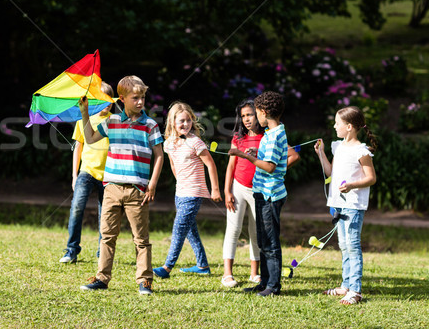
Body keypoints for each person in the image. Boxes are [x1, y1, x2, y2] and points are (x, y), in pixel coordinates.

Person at [78, 75, 164, 296]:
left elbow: (159, 155)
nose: (140, 102)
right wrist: (85, 112)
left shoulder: (150, 125)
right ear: (122, 99)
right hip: (112, 188)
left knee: (141, 239)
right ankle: (102, 278)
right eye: (135, 98)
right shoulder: (111, 121)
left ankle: (145, 281)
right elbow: (89, 138)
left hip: (138, 190)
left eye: (143, 97)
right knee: (107, 235)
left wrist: (152, 184)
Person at [223, 99, 300, 288]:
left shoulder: (271, 135)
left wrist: (247, 156)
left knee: (265, 239)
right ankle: (261, 281)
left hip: (268, 193)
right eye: (244, 116)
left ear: (262, 113)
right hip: (254, 190)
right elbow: (235, 165)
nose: (249, 118)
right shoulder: (267, 135)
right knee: (254, 235)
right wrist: (227, 190)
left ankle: (268, 282)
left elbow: (274, 165)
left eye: (252, 113)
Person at [314, 106, 377, 305]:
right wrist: (321, 153)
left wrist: (351, 185)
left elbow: (371, 178)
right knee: (343, 245)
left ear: (349, 126)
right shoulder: (338, 147)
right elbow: (331, 172)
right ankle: (346, 285)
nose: (334, 126)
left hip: (353, 205)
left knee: (352, 245)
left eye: (337, 123)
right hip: (338, 205)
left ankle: (355, 290)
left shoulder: (361, 151)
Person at [153, 102, 222, 279]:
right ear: (173, 122)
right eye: (181, 121)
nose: (186, 124)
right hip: (181, 192)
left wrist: (215, 189)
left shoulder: (195, 142)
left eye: (189, 120)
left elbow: (210, 165)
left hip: (194, 192)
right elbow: (174, 166)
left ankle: (167, 267)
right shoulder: (169, 143)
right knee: (190, 230)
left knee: (179, 228)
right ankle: (203, 265)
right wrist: (180, 184)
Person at [59, 82, 115, 264]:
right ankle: (71, 250)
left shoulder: (115, 121)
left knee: (105, 216)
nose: (107, 104)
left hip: (109, 176)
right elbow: (78, 147)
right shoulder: (83, 119)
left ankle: (103, 254)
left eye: (109, 100)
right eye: (101, 100)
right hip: (86, 172)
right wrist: (74, 176)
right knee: (77, 208)